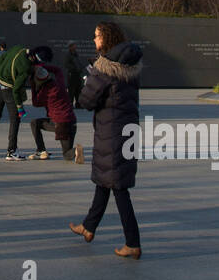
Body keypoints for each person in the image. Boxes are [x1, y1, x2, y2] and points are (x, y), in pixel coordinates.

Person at [71, 21, 143, 259]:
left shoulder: (103, 68)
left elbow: (87, 100)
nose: (94, 40)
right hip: (126, 131)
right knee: (106, 180)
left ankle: (132, 242)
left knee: (119, 188)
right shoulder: (130, 65)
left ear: (106, 39)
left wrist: (88, 79)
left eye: (96, 35)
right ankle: (88, 226)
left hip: (110, 132)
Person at [28, 58, 82, 163]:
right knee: (67, 150)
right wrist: (43, 67)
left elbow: (35, 103)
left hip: (60, 124)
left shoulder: (44, 93)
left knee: (34, 123)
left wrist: (33, 85)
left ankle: (42, 150)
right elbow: (58, 70)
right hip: (72, 122)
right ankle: (74, 151)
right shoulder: (59, 84)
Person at [0, 43, 34, 160]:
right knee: (15, 119)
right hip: (8, 89)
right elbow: (17, 89)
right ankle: (11, 151)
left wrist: (1, 72)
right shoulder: (25, 67)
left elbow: (2, 57)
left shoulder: (17, 48)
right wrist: (20, 106)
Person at [64, 42, 84, 106]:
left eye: (75, 45)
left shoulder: (76, 54)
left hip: (78, 74)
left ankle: (78, 104)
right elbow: (66, 64)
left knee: (78, 89)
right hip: (72, 74)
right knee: (71, 90)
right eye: (73, 45)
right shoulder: (68, 55)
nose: (75, 46)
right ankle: (70, 104)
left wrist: (80, 68)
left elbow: (79, 62)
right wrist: (74, 68)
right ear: (70, 47)